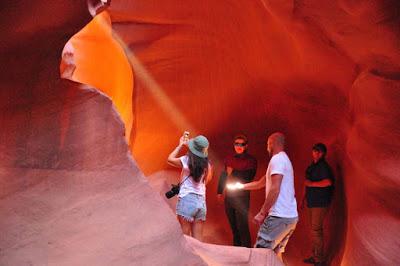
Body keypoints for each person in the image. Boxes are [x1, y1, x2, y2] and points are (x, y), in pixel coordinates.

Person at [241, 132, 298, 262]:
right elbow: (261, 183)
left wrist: (262, 212)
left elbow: (275, 189)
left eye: (267, 144)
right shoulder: (284, 159)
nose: (267, 147)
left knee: (260, 254)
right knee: (276, 255)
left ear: (272, 143)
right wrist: (241, 187)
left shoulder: (277, 160)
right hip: (290, 218)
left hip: (278, 217)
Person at [167, 134, 213, 241]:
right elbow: (207, 181)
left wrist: (180, 145)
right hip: (201, 202)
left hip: (187, 199)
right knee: (198, 241)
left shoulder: (186, 160)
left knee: (184, 239)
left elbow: (170, 159)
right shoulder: (208, 165)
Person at [217, 134, 257, 247]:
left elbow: (248, 177)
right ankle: (237, 253)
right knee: (234, 227)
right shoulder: (229, 159)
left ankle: (248, 254)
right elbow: (224, 175)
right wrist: (219, 191)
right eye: (237, 144)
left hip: (242, 197)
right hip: (229, 197)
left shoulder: (251, 160)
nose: (239, 146)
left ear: (246, 146)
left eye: (242, 144)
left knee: (242, 226)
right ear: (233, 145)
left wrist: (232, 171)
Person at [302, 143, 334, 266]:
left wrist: (312, 184)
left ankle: (319, 259)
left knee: (316, 230)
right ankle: (315, 256)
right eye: (315, 151)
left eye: (319, 152)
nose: (316, 153)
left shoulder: (323, 167)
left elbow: (328, 182)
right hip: (312, 201)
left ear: (323, 154)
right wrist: (302, 198)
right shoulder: (312, 166)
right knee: (314, 230)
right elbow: (306, 182)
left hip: (320, 202)